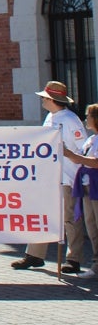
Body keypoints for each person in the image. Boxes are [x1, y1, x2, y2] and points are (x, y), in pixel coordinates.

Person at [12, 81, 86, 272]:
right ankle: (34, 254)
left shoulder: (71, 120)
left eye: (44, 98)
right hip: (49, 176)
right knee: (42, 215)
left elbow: (82, 148)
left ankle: (74, 258)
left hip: (67, 176)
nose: (42, 101)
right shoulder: (49, 118)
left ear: (51, 99)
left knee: (70, 218)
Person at [63, 103, 98, 277]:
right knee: (91, 227)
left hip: (95, 185)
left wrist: (71, 155)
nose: (86, 119)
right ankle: (96, 264)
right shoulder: (91, 139)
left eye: (88, 115)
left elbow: (95, 162)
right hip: (86, 185)